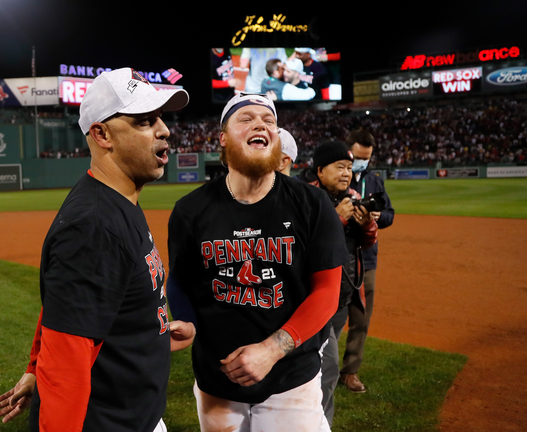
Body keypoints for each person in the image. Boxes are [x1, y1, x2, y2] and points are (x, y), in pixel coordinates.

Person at [0, 67, 196, 432]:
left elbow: (66, 307)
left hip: (136, 414)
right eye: (145, 121)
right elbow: (63, 374)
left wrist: (153, 331)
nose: (164, 130)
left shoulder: (119, 199)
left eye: (160, 118)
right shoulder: (94, 227)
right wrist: (43, 370)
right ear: (102, 134)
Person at [166, 93, 349, 432]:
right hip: (216, 382)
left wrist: (272, 350)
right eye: (246, 118)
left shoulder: (311, 204)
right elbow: (179, 279)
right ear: (222, 138)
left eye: (269, 120)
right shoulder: (189, 211)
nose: (260, 124)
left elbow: (327, 291)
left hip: (291, 378)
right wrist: (187, 321)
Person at [296, 140, 379, 428]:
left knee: (320, 367)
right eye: (339, 167)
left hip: (343, 294)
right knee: (328, 367)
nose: (346, 173)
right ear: (320, 170)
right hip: (314, 297)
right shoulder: (303, 195)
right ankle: (318, 424)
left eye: (349, 167)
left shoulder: (352, 196)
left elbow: (366, 243)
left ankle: (313, 420)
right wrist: (338, 219)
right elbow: (301, 244)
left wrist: (367, 224)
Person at [335, 130, 395, 393]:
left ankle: (350, 372)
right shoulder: (334, 179)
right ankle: (319, 368)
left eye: (366, 159)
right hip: (336, 257)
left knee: (360, 319)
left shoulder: (373, 181)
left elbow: (390, 215)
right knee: (328, 316)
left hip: (366, 259)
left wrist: (378, 217)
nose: (362, 163)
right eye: (358, 158)